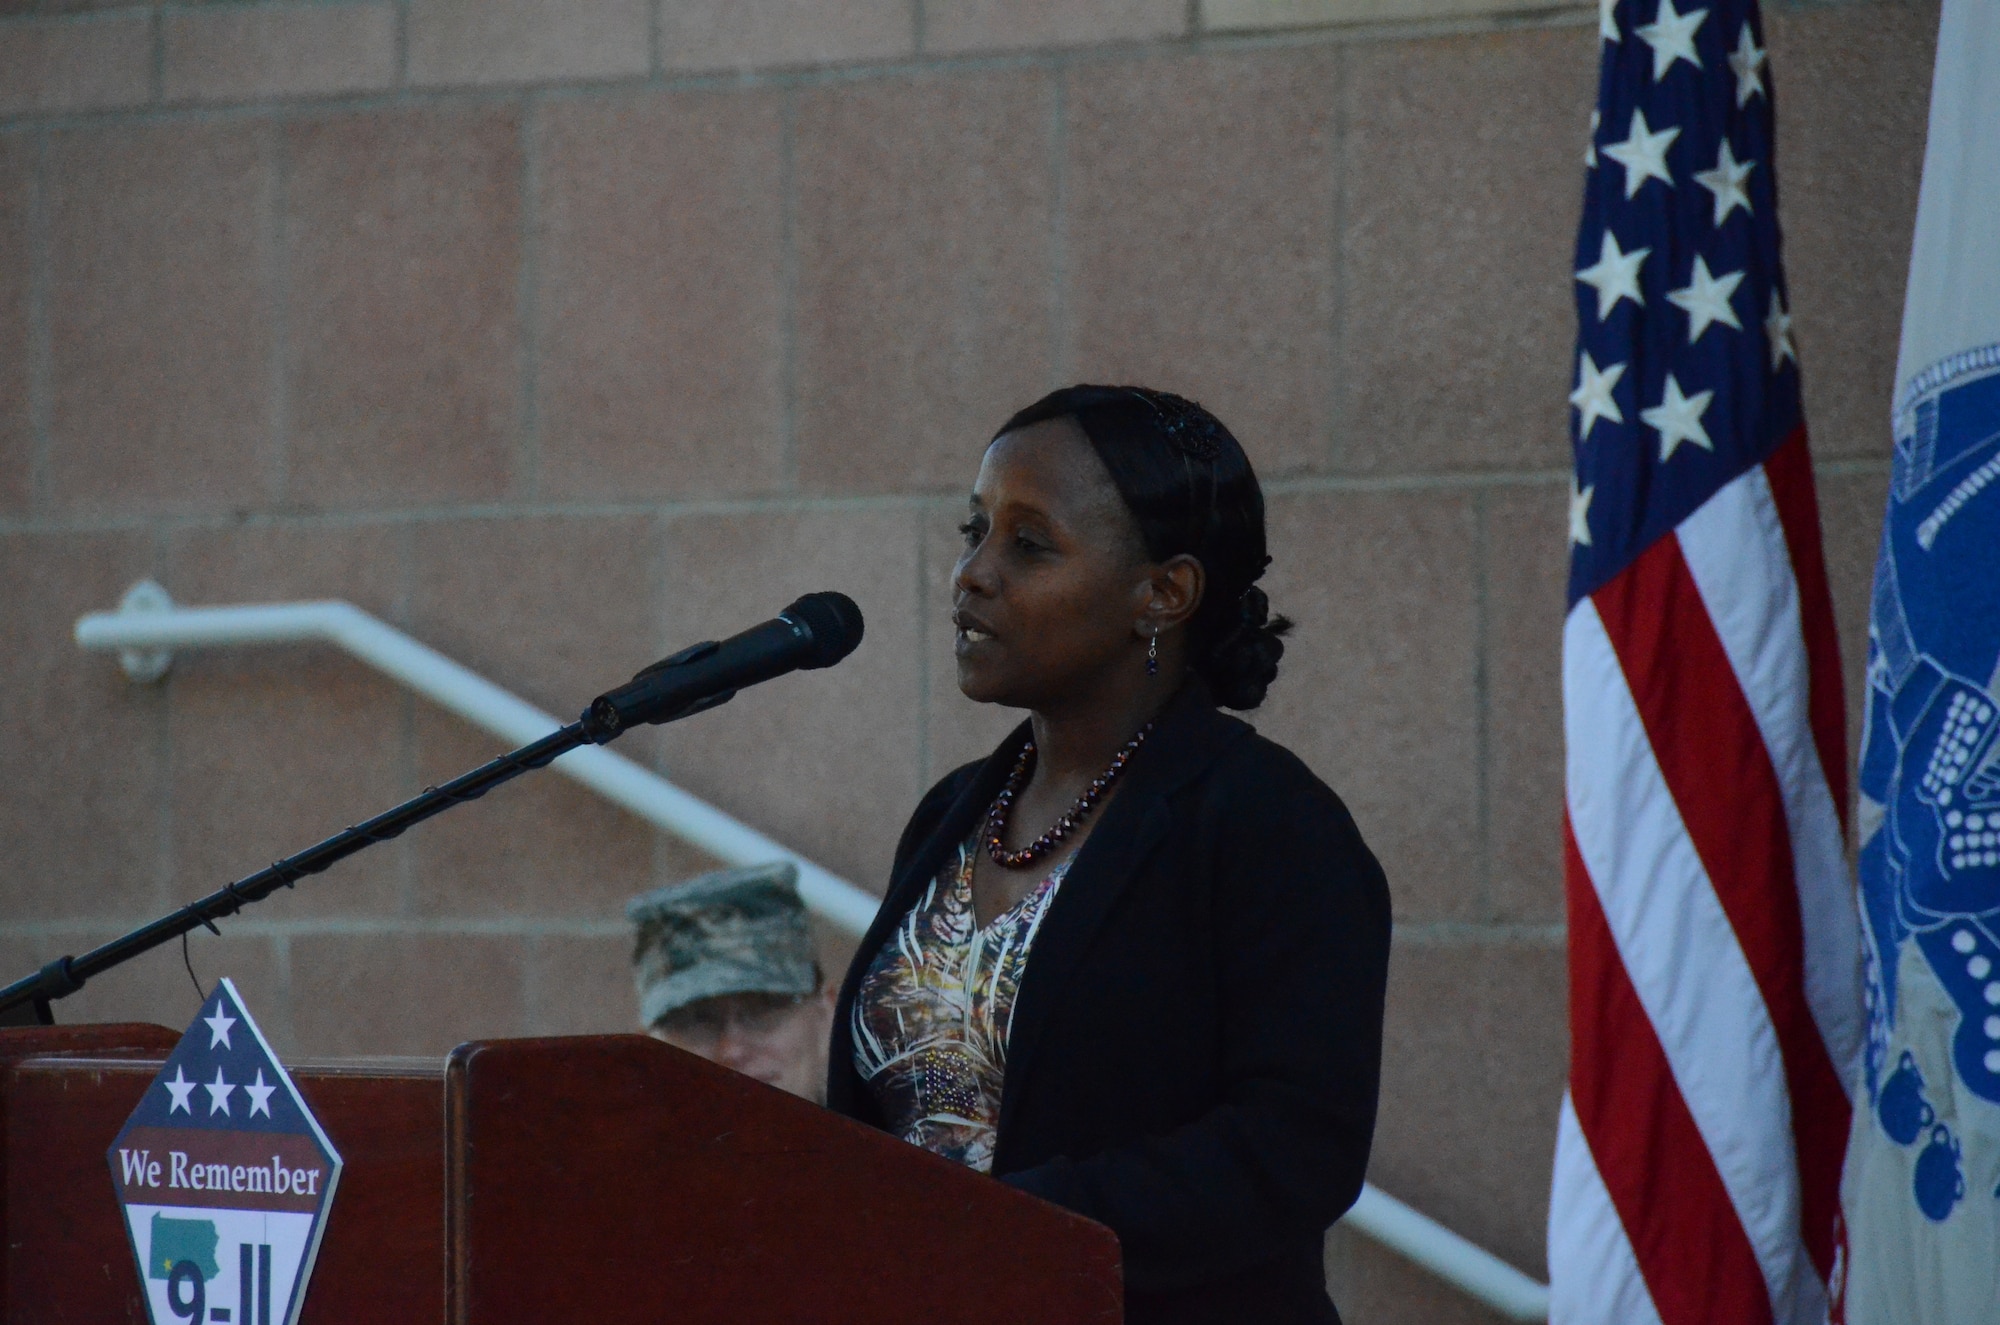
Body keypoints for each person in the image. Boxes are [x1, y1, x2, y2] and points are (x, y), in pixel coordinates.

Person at [827, 385, 1392, 1324]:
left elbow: (1295, 1148)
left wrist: (1004, 1223)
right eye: (974, 530)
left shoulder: (1270, 824)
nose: (971, 573)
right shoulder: (949, 814)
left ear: (1162, 593)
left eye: (1029, 543)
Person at [627, 861, 835, 1104]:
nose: (733, 1051)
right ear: (647, 1048)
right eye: (697, 1020)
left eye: (762, 1009)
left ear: (827, 1016)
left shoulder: (885, 1139)